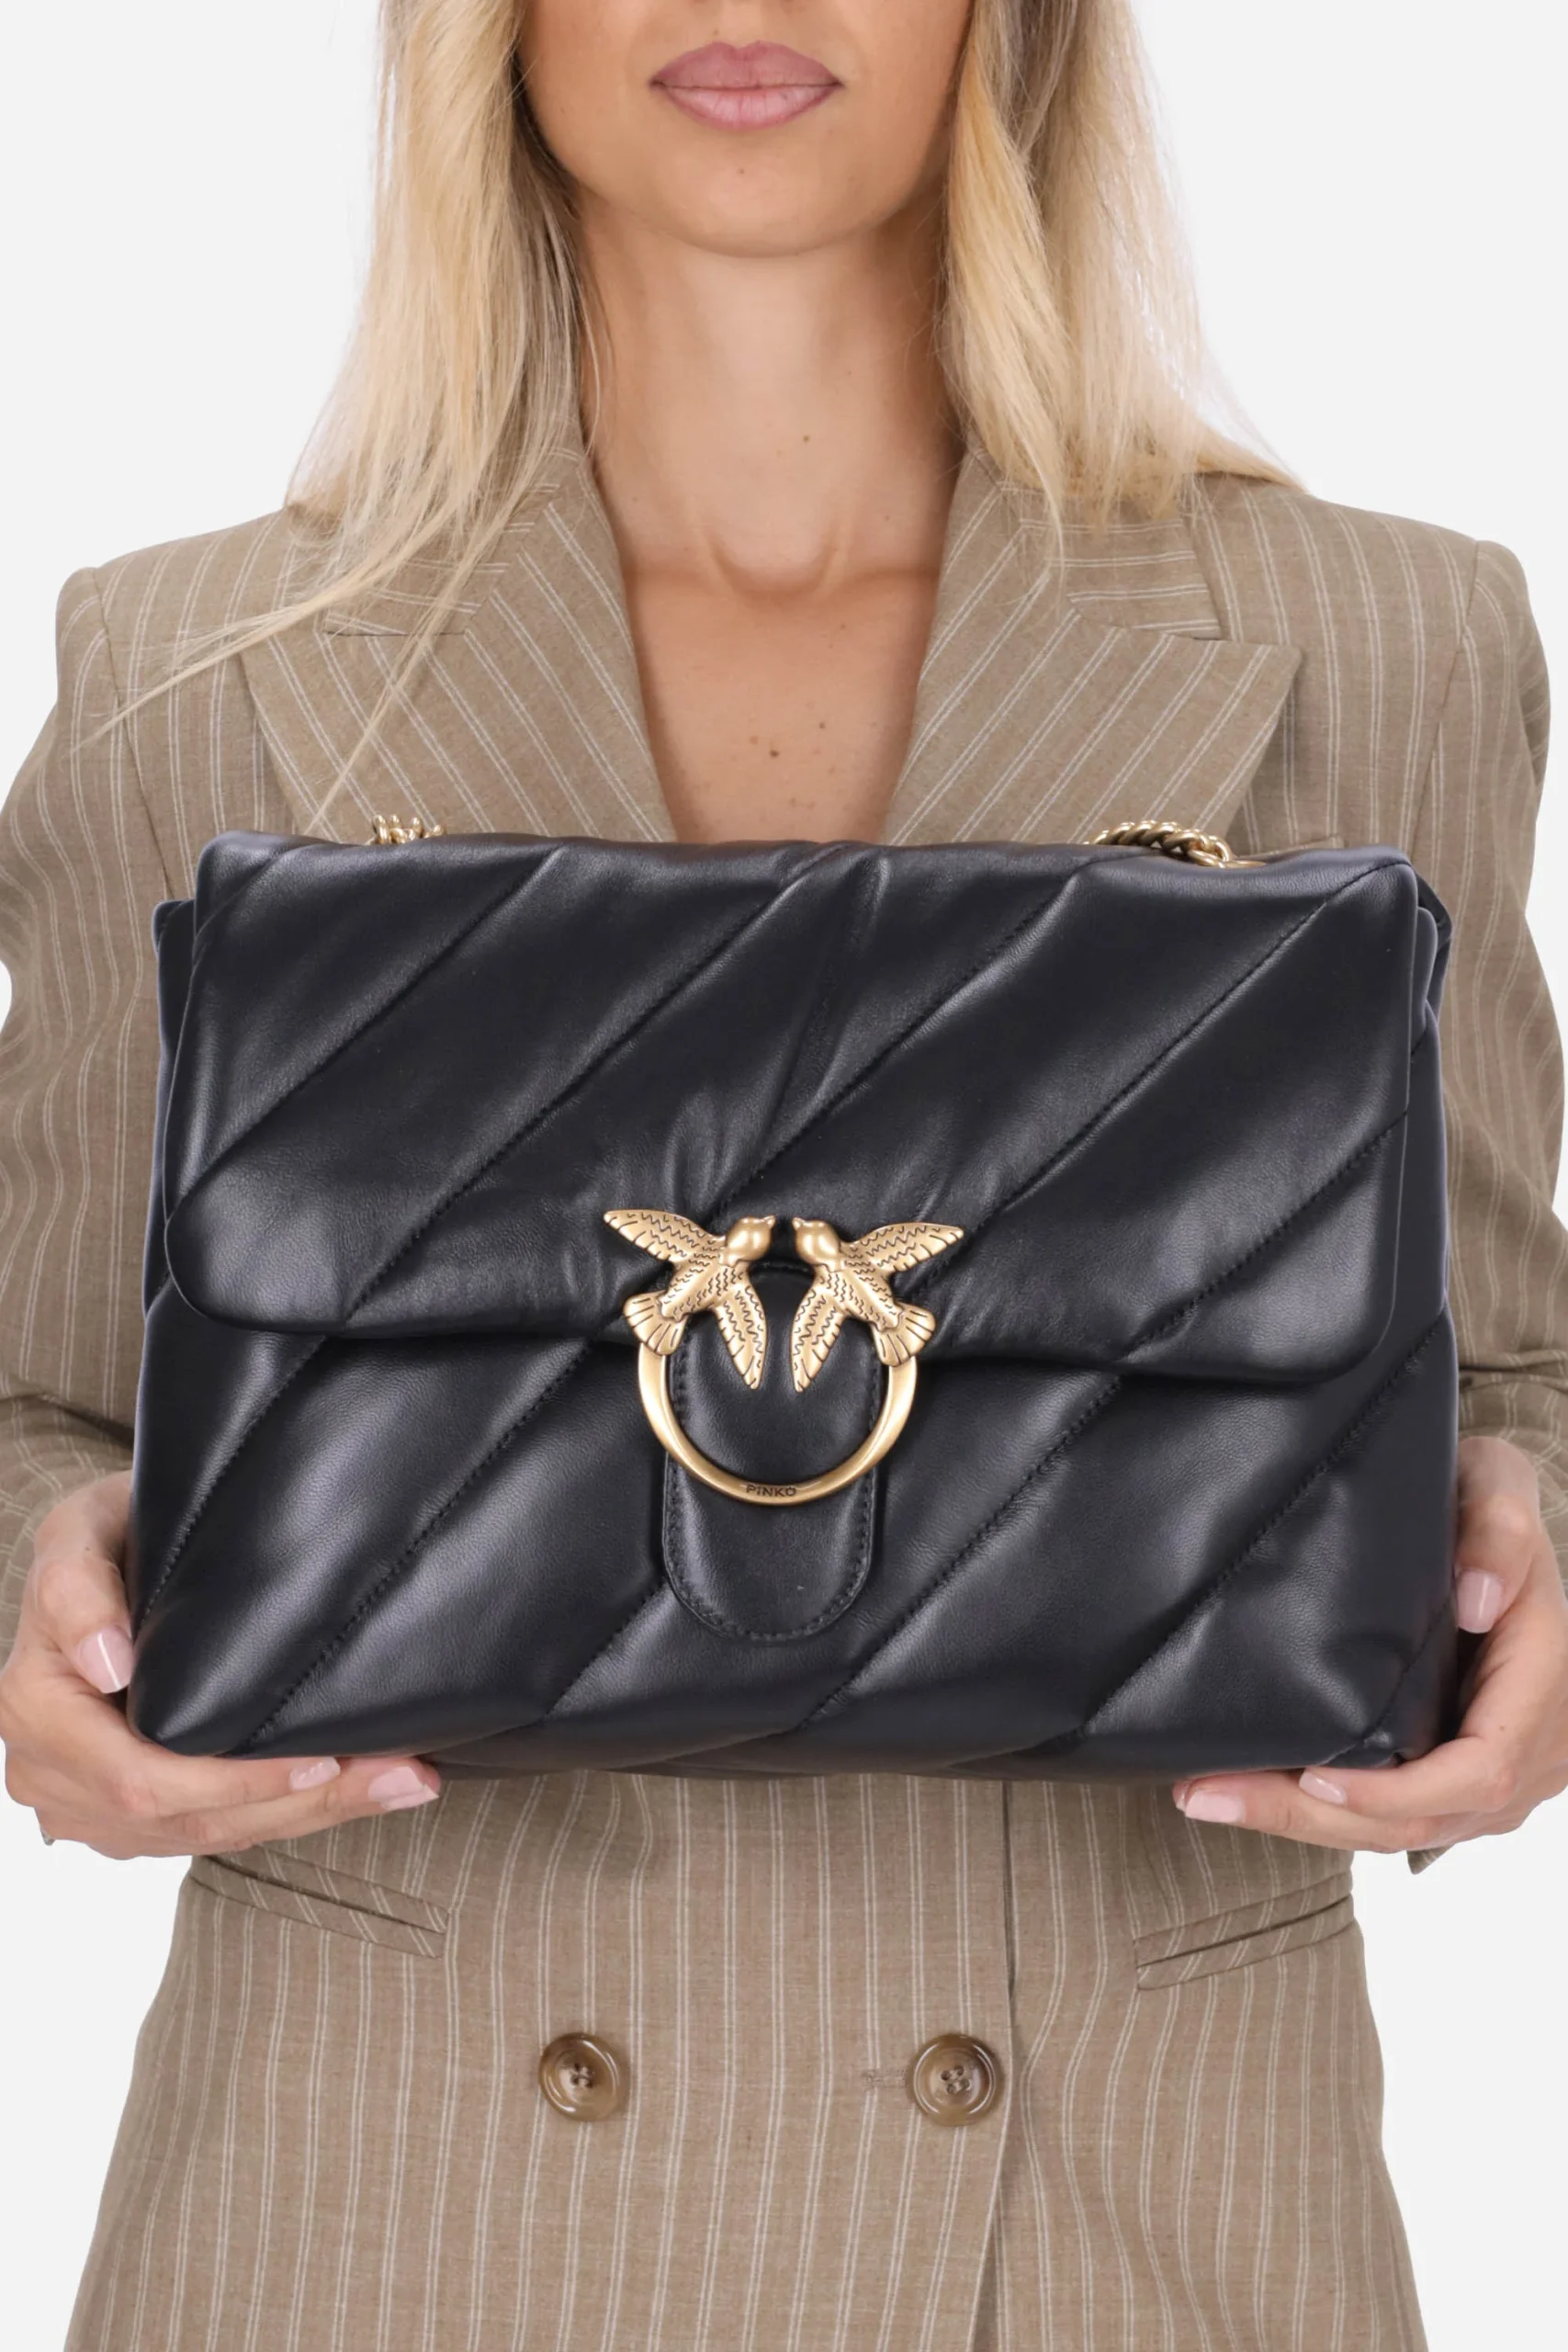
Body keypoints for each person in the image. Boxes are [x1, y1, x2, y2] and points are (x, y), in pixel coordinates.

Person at [2, 5, 1565, 2346]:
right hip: (383, 2204)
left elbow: (1509, 1354)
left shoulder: (1382, 641)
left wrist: (1539, 1560)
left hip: (1126, 2221)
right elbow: (36, 1395)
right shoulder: (195, 669)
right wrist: (39, 1618)